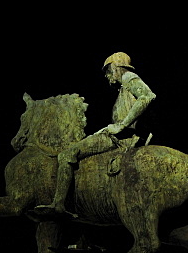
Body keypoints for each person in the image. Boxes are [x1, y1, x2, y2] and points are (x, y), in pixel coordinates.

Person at [35, 52, 156, 217]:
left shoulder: (129, 77)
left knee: (67, 155)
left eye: (108, 71)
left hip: (120, 138)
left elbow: (147, 96)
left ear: (116, 67)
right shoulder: (123, 88)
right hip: (118, 134)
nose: (107, 76)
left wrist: (121, 125)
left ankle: (58, 204)